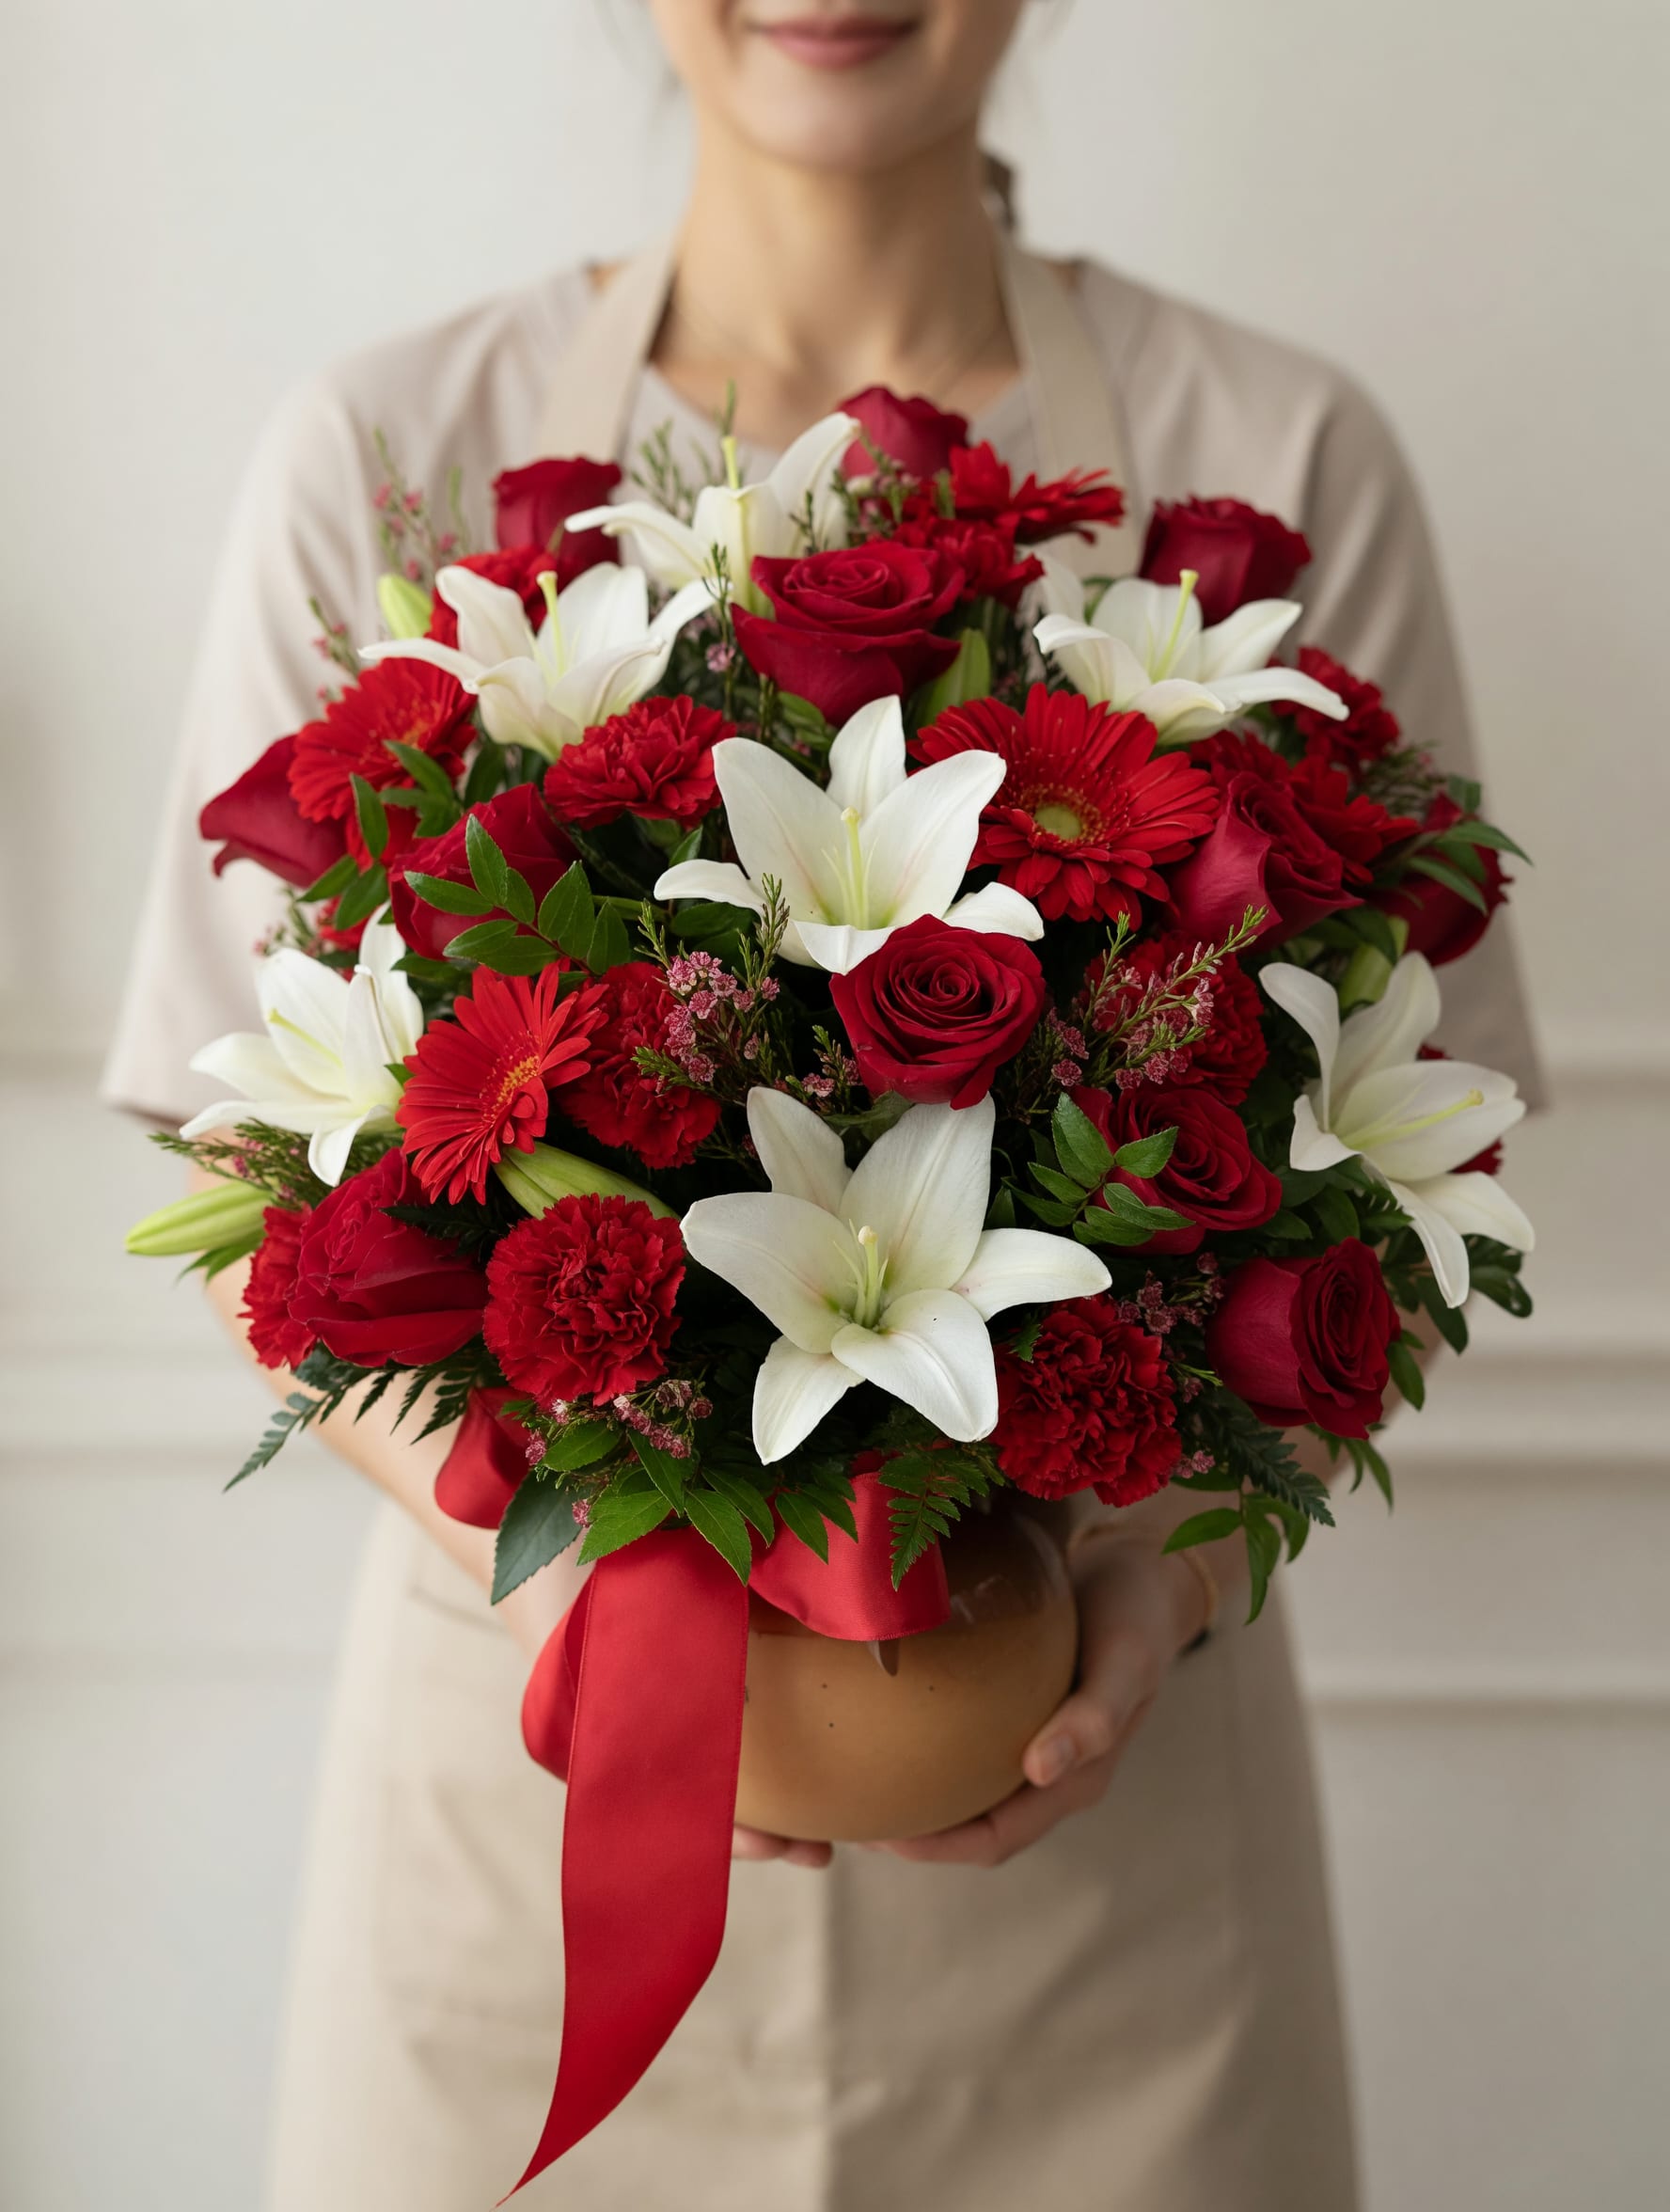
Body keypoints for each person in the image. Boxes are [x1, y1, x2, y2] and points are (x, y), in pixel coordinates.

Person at [103, 4, 1541, 2206]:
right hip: (528, 1845)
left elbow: (1420, 1181)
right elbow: (254, 1187)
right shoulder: (399, 447)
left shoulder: (1275, 448)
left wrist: (1151, 1596)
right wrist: (587, 1601)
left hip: (1121, 1889)